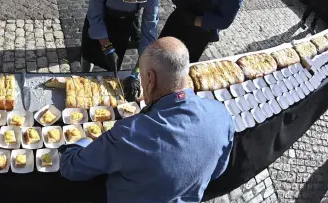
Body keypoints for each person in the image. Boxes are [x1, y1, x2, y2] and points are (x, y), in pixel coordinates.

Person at [60, 37, 234, 203]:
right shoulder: (221, 114)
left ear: (150, 79)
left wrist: (83, 141)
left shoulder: (128, 134)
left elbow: (71, 167)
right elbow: (217, 171)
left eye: (142, 78)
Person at [80, 0, 159, 98]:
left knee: (114, 65)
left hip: (123, 23)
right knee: (88, 54)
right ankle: (83, 74)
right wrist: (107, 47)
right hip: (101, 17)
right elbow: (95, 17)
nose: (134, 1)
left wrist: (137, 72)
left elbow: (149, 33)